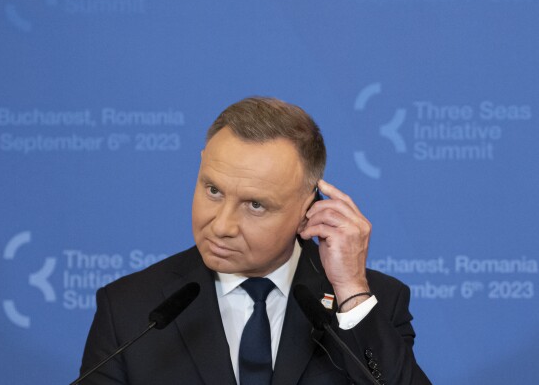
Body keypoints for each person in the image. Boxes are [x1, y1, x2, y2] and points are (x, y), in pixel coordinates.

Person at [79, 97, 431, 384]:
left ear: (308, 210)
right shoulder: (130, 310)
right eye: (213, 190)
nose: (221, 225)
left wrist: (351, 289)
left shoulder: (373, 304)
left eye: (255, 205)